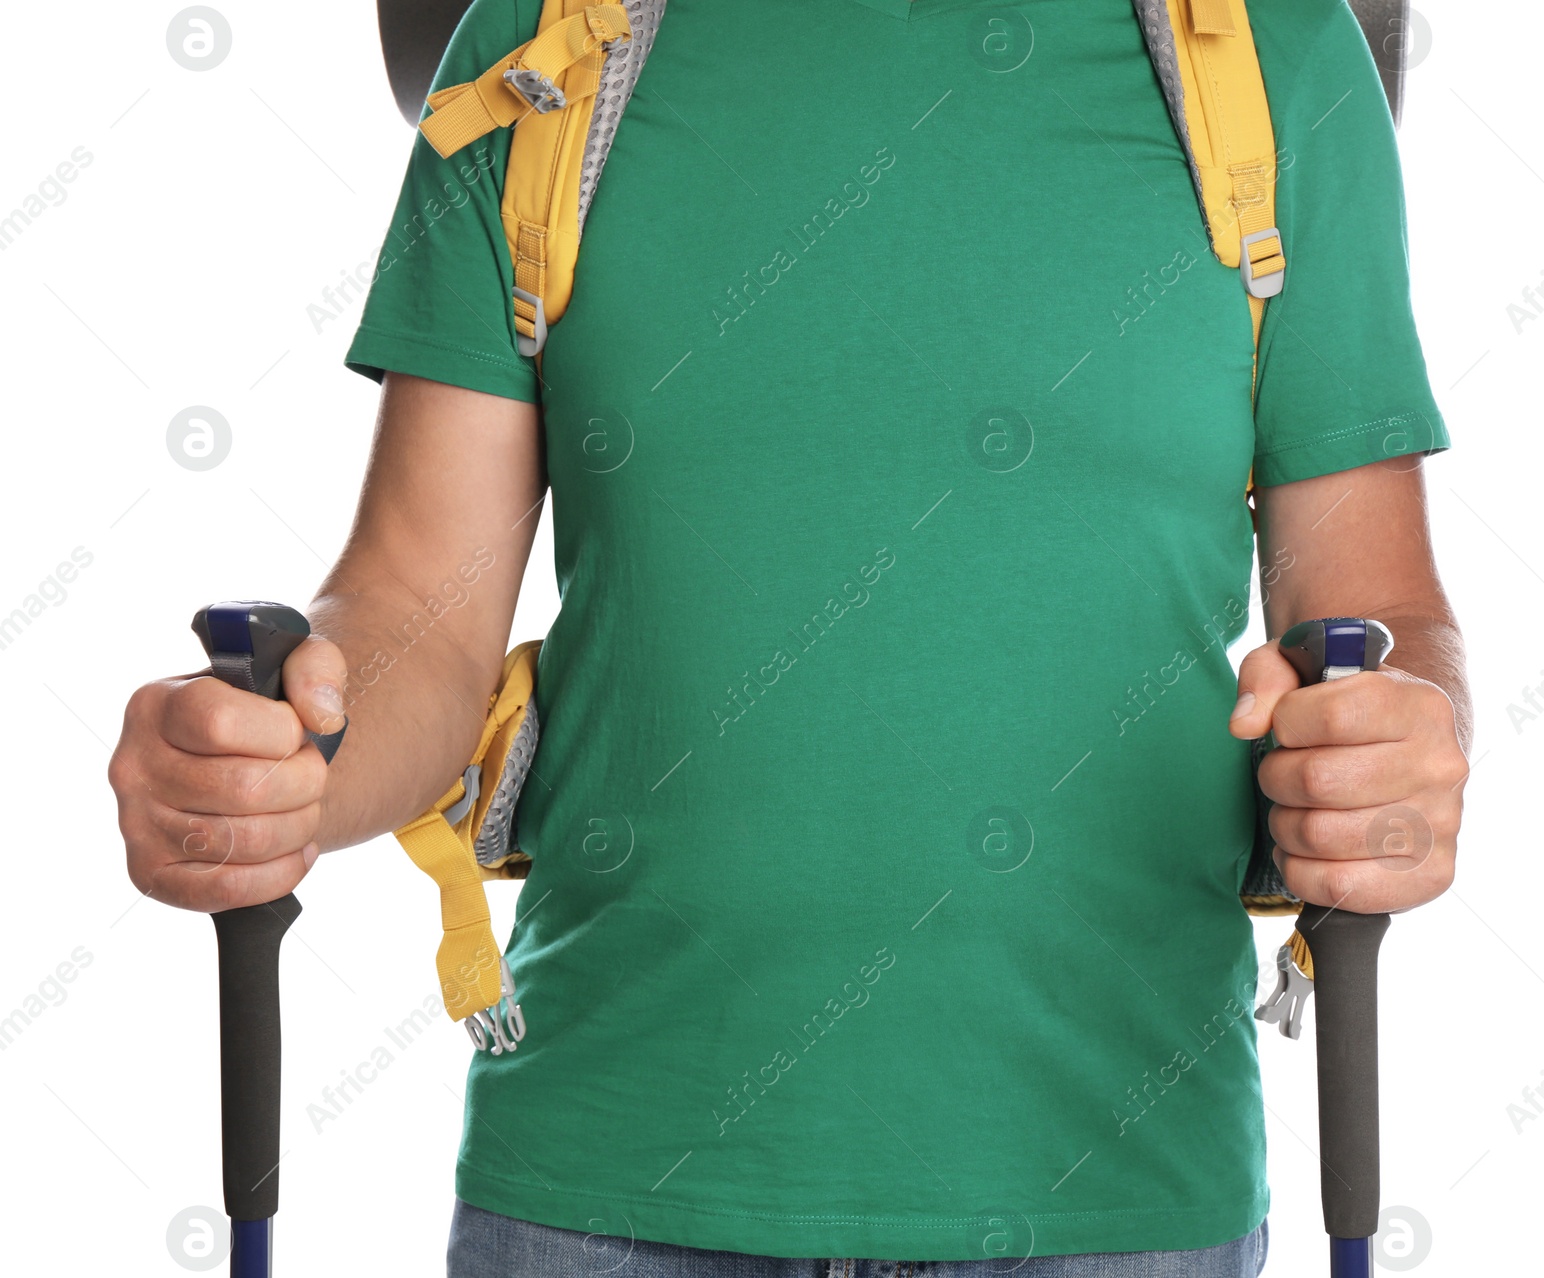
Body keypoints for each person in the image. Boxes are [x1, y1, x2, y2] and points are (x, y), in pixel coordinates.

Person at [109, 0, 1472, 1273]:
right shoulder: (547, 50)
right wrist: (280, 765)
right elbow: (416, 605)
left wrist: (1406, 751)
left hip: (1119, 1196)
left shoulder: (1273, 55)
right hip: (603, 1188)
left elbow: (1376, 615)